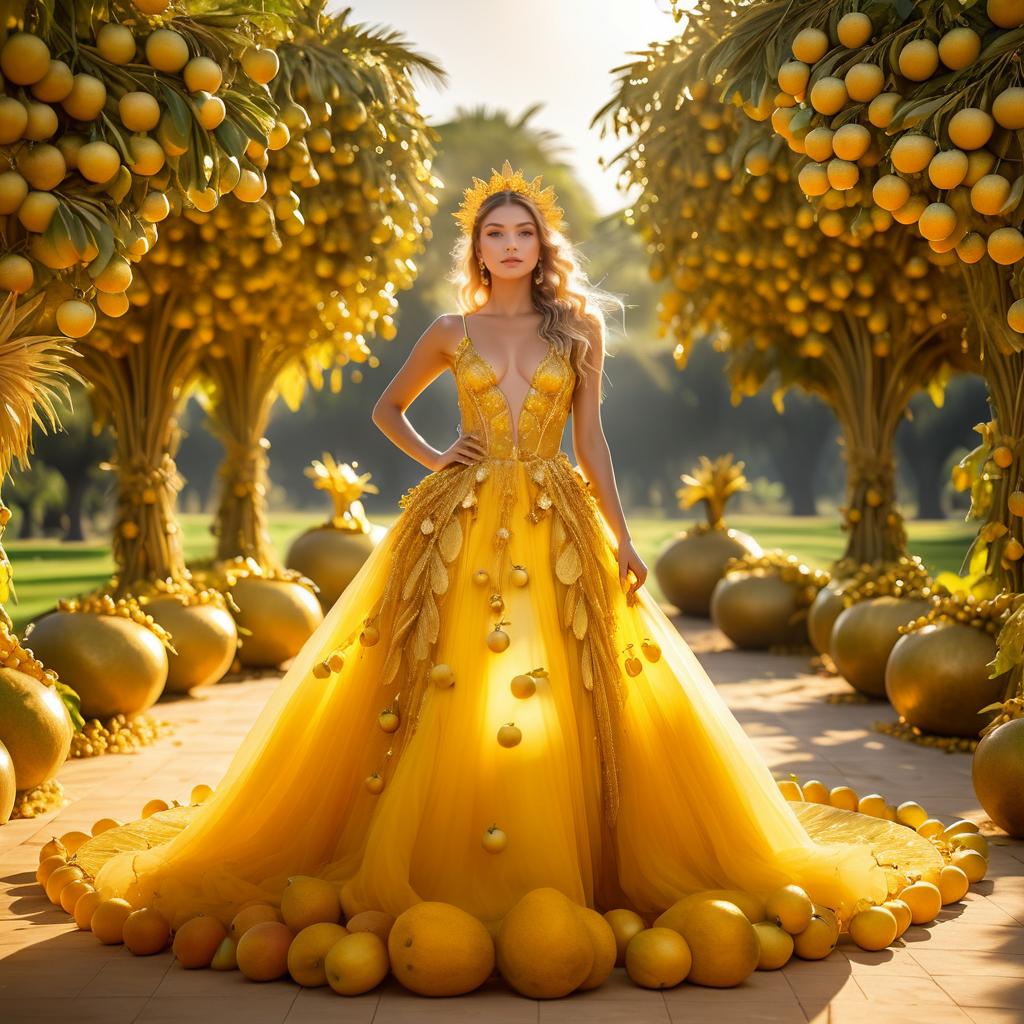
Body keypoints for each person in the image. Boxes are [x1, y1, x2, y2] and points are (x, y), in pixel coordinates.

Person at [80, 161, 936, 952]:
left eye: (523, 232)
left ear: (543, 245)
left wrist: (624, 535)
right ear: (478, 250)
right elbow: (389, 408)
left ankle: (569, 852)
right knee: (438, 674)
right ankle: (437, 843)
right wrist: (435, 457)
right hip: (459, 516)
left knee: (571, 675)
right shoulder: (451, 328)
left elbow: (591, 436)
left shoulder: (580, 328)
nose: (511, 245)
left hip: (558, 519)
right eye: (496, 234)